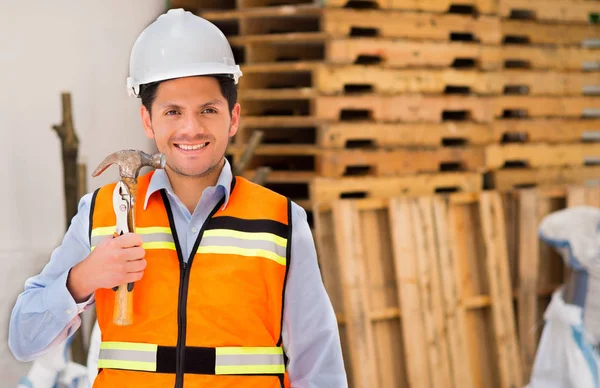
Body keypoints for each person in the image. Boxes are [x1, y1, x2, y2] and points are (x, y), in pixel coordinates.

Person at [9, 8, 347, 387]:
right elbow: (24, 341)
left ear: (233, 118)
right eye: (173, 111)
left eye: (208, 110)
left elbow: (320, 366)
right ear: (147, 120)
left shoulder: (280, 221)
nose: (191, 128)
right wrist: (82, 278)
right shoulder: (101, 214)